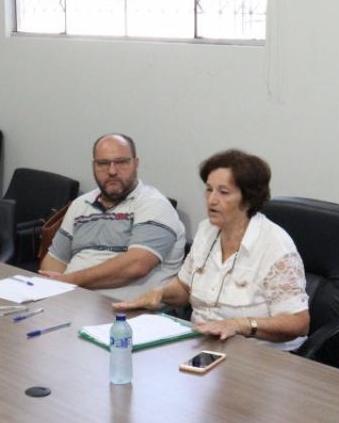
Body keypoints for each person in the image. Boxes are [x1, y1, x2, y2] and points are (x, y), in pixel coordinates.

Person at [113, 149, 309, 349]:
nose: (211, 200)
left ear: (248, 199)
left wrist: (240, 325)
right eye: (209, 189)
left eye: (223, 192)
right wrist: (160, 293)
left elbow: (298, 323)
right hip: (203, 342)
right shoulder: (207, 230)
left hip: (257, 354)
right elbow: (185, 288)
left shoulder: (275, 245)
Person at [39, 133, 184, 302]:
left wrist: (69, 282)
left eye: (121, 162)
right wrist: (52, 292)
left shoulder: (154, 205)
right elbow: (54, 261)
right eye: (103, 163)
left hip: (125, 310)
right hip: (71, 302)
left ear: (136, 163)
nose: (112, 171)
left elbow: (136, 265)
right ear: (94, 166)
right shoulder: (81, 205)